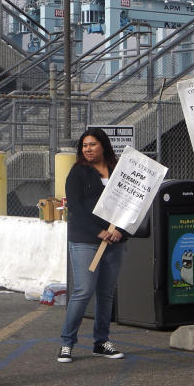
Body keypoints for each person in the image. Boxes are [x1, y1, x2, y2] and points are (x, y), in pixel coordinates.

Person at [57, 128, 127, 363]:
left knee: (106, 294)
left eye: (92, 144)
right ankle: (67, 342)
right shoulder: (77, 173)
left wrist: (120, 230)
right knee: (83, 291)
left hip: (115, 239)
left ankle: (101, 341)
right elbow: (75, 208)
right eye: (84, 145)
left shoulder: (120, 170)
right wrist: (99, 232)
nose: (87, 149)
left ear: (103, 145)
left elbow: (133, 204)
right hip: (85, 239)